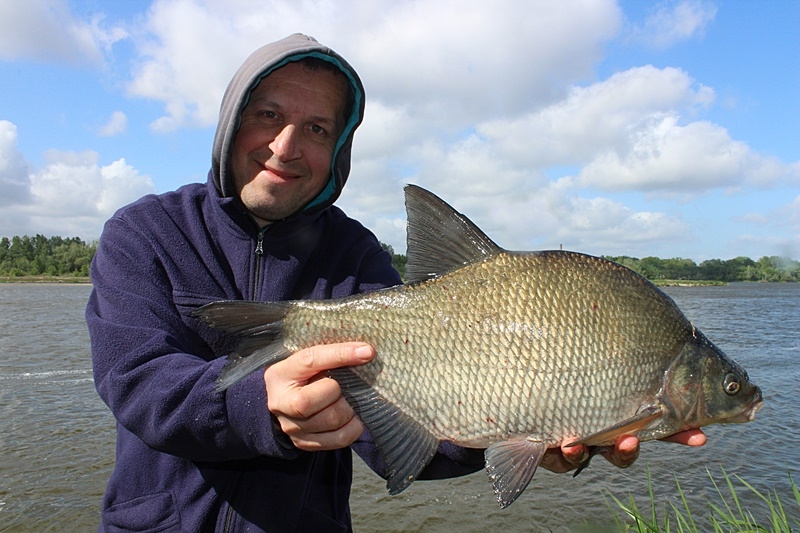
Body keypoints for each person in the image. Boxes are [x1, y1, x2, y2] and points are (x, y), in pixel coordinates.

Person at [87, 33, 705, 532]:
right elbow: (137, 383)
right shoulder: (145, 232)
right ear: (230, 121)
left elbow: (397, 441)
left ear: (340, 151)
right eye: (267, 115)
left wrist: (518, 429)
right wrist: (260, 406)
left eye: (318, 129)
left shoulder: (353, 254)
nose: (285, 145)